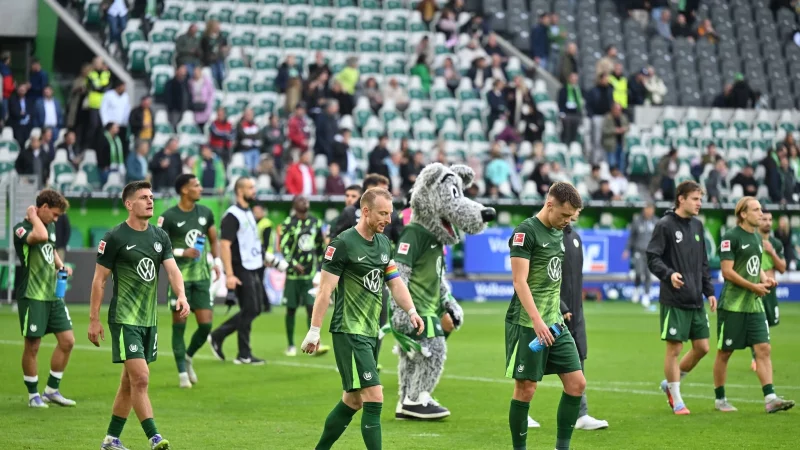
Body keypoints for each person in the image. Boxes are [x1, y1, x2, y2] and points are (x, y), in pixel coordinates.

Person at [300, 187, 425, 450]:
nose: (388, 220)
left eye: (390, 214)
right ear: (365, 211)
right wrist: (314, 330)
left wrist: (412, 311)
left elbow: (394, 282)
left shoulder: (383, 243)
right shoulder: (342, 244)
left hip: (370, 331)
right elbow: (325, 290)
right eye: (382, 213)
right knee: (374, 396)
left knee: (353, 400)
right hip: (348, 329)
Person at [88, 181, 189, 450]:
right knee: (141, 378)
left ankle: (111, 439)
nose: (150, 201)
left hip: (149, 320)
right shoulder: (114, 237)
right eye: (144, 197)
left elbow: (172, 270)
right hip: (124, 319)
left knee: (128, 382)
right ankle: (154, 437)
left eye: (152, 196)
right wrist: (94, 319)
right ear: (129, 204)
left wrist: (181, 294)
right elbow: (99, 281)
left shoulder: (160, 237)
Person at [505, 182, 585, 450]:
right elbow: (520, 282)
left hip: (555, 324)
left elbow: (552, 279)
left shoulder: (557, 232)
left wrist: (557, 313)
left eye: (571, 217)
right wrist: (538, 322)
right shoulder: (526, 232)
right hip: (529, 324)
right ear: (549, 204)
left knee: (576, 383)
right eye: (564, 215)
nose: (567, 221)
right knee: (526, 388)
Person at [713, 197, 794, 413]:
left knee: (763, 348)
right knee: (725, 352)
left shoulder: (757, 238)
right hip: (733, 305)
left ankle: (770, 398)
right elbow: (727, 272)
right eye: (756, 210)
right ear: (743, 214)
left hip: (754, 304)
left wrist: (764, 280)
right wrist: (753, 286)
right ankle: (720, 399)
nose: (761, 213)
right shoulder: (730, 237)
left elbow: (755, 266)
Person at [646, 181, 716, 415]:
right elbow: (652, 257)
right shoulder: (665, 225)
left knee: (703, 347)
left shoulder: (697, 226)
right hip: (674, 299)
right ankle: (676, 398)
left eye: (700, 199)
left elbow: (703, 264)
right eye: (695, 199)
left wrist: (710, 291)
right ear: (681, 198)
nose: (699, 203)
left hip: (696, 299)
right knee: (674, 349)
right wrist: (669, 274)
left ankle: (670, 383)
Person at [330, 174, 403, 369]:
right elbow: (334, 242)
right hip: (353, 279)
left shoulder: (390, 219)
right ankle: (347, 360)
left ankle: (371, 361)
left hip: (378, 277)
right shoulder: (349, 214)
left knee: (378, 321)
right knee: (350, 321)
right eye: (380, 189)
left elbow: (400, 238)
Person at [157, 174, 221, 388]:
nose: (201, 188)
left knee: (206, 326)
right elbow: (159, 248)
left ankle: (188, 356)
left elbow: (213, 239)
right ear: (185, 190)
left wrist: (218, 262)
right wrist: (183, 251)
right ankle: (182, 373)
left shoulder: (206, 213)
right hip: (179, 281)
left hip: (202, 278)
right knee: (179, 326)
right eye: (196, 185)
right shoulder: (168, 217)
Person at [13, 190, 75, 408]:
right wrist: (33, 215)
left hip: (52, 294)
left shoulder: (48, 225)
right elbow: (40, 237)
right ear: (44, 207)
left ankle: (51, 390)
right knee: (33, 345)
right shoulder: (22, 228)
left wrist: (61, 266)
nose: (56, 219)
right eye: (55, 214)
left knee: (67, 341)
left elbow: (50, 247)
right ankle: (33, 396)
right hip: (32, 294)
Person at [553, 211, 609, 431]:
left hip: (576, 312)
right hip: (555, 311)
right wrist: (562, 306)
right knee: (534, 361)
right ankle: (523, 409)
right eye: (574, 208)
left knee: (579, 356)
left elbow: (575, 278)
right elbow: (543, 277)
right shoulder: (549, 236)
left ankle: (580, 414)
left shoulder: (575, 237)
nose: (577, 213)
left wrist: (576, 306)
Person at [208, 177, 267, 365]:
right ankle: (235, 347)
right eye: (250, 187)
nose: (254, 191)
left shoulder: (247, 212)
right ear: (240, 191)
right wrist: (230, 274)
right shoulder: (232, 215)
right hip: (240, 268)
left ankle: (236, 347)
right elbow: (224, 245)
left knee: (254, 308)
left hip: (252, 265)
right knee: (250, 309)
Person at [279, 195, 329, 357]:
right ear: (295, 205)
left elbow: (321, 245)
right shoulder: (288, 223)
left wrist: (321, 266)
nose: (305, 203)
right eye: (301, 201)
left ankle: (313, 344)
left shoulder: (316, 222)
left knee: (311, 308)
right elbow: (283, 246)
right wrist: (293, 264)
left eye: (306, 201)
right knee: (291, 309)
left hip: (310, 275)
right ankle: (290, 345)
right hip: (293, 275)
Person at [750, 210, 786, 371]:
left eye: (770, 219)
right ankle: (756, 358)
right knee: (758, 324)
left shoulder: (776, 243)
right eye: (764, 219)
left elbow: (782, 268)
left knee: (768, 324)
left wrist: (771, 251)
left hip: (770, 289)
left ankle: (760, 356)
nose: (767, 222)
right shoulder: (752, 239)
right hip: (755, 288)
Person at [625, 204, 657, 307]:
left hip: (651, 253)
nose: (649, 211)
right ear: (644, 210)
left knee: (648, 275)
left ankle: (646, 295)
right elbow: (631, 237)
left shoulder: (656, 222)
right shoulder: (637, 221)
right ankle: (636, 288)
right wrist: (626, 249)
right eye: (647, 209)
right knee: (638, 272)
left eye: (650, 209)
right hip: (638, 250)